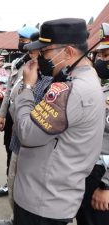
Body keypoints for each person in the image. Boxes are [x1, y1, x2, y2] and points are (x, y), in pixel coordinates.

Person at [13, 18, 105, 225]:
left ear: (69, 52)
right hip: (53, 194)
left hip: (42, 200)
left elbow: (27, 133)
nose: (41, 58)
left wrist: (27, 89)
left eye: (45, 52)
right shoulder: (87, 79)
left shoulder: (71, 90)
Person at [0, 30, 52, 225]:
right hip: (17, 133)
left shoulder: (53, 82)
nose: (32, 55)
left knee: (27, 190)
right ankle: (15, 218)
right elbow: (10, 92)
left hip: (33, 143)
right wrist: (3, 114)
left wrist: (28, 87)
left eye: (38, 51)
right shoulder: (23, 66)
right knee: (12, 181)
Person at [0, 26, 39, 199]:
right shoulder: (18, 62)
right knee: (9, 150)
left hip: (29, 117)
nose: (22, 43)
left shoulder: (39, 65)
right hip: (13, 116)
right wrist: (2, 114)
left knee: (25, 155)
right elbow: (9, 90)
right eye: (20, 39)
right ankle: (9, 181)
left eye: (25, 40)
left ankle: (22, 187)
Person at [75, 22, 109, 225]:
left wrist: (106, 186)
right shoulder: (103, 89)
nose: (103, 61)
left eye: (107, 55)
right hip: (89, 170)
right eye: (102, 56)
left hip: (103, 177)